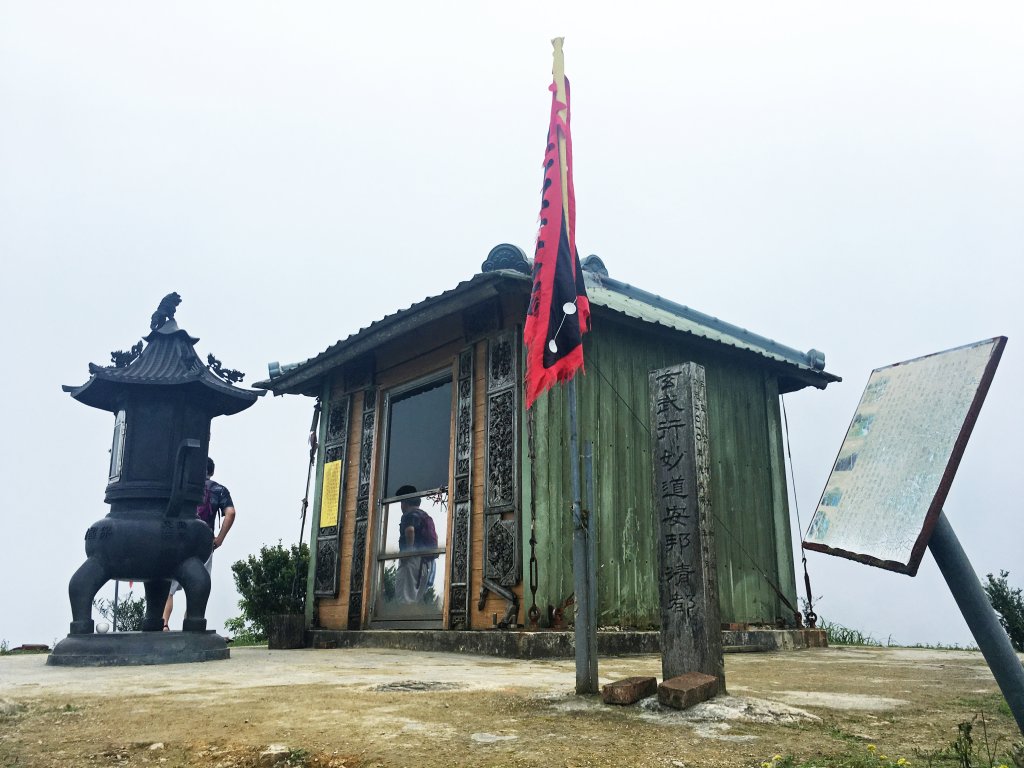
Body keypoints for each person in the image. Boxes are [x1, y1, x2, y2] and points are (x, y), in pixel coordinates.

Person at [162, 456, 235, 630]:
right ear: (212, 471)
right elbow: (230, 513)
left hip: (179, 538)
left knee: (168, 585)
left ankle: (163, 624)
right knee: (197, 585)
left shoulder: (183, 487)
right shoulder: (219, 490)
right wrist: (219, 539)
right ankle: (191, 624)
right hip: (204, 542)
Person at [393, 485, 435, 605]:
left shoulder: (409, 514)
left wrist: (408, 553)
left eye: (401, 502)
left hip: (412, 562)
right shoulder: (425, 516)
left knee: (404, 601)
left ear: (405, 502)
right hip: (426, 564)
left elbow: (410, 530)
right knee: (414, 601)